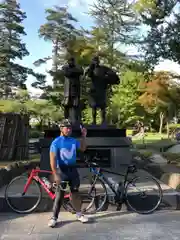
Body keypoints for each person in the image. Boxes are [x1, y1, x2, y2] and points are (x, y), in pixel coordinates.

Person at [48, 119, 89, 228]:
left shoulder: (73, 140)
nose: (69, 130)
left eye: (70, 128)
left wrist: (84, 136)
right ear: (61, 128)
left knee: (75, 193)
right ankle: (54, 217)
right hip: (62, 170)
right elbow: (52, 159)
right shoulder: (56, 142)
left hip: (73, 170)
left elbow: (83, 148)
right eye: (67, 127)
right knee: (59, 195)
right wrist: (55, 174)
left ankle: (79, 214)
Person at [61, 57, 84, 124]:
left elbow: (81, 71)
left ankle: (76, 119)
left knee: (75, 105)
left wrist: (73, 72)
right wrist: (75, 72)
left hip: (75, 89)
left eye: (72, 61)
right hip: (67, 90)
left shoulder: (78, 67)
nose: (71, 62)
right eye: (70, 61)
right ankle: (66, 119)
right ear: (68, 61)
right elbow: (67, 73)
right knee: (66, 105)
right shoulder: (65, 67)